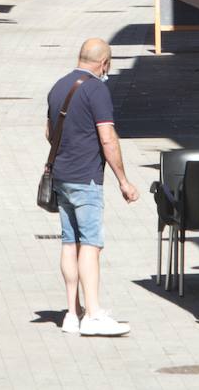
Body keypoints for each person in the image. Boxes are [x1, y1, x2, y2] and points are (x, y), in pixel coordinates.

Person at [45, 38, 139, 336]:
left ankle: (72, 313)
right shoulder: (97, 89)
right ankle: (94, 313)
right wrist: (123, 180)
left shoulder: (59, 86)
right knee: (91, 244)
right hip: (86, 179)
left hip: (61, 175)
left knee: (69, 243)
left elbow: (49, 132)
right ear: (104, 63)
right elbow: (108, 138)